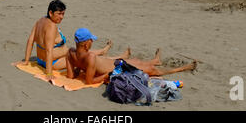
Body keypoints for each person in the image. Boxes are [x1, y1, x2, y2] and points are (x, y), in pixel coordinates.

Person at [14, 0, 112, 80]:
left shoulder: (40, 21)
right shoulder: (51, 27)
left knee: (79, 53)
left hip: (40, 60)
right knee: (85, 59)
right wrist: (48, 73)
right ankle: (106, 54)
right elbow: (49, 50)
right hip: (53, 63)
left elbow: (30, 41)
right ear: (50, 13)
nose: (61, 17)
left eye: (63, 14)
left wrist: (26, 61)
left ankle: (103, 51)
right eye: (59, 14)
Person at [66, 28, 198, 85]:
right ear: (85, 44)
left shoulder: (71, 53)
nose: (92, 42)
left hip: (115, 63)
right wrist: (105, 76)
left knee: (137, 61)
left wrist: (79, 68)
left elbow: (70, 76)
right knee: (151, 70)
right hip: (118, 68)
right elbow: (89, 82)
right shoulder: (90, 57)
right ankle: (182, 68)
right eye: (91, 40)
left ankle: (156, 60)